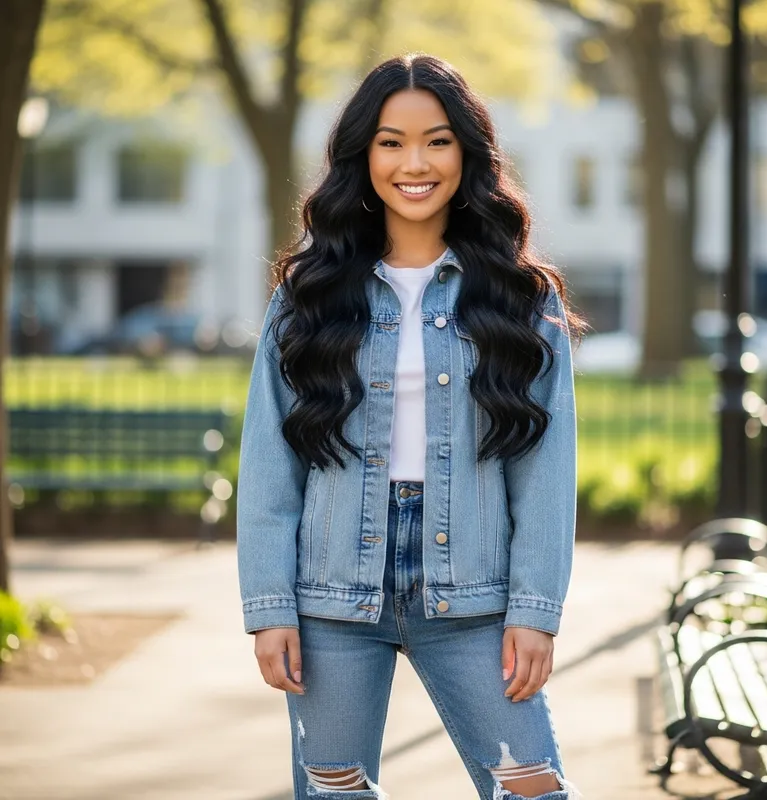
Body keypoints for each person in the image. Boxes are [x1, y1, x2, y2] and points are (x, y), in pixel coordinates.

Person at [237, 52, 585, 800]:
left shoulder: (523, 302)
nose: (414, 163)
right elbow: (270, 458)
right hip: (331, 597)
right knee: (336, 792)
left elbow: (547, 470)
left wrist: (535, 611)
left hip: (475, 599)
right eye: (391, 142)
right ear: (362, 158)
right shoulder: (309, 297)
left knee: (533, 789)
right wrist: (269, 607)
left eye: (437, 140)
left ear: (468, 153)